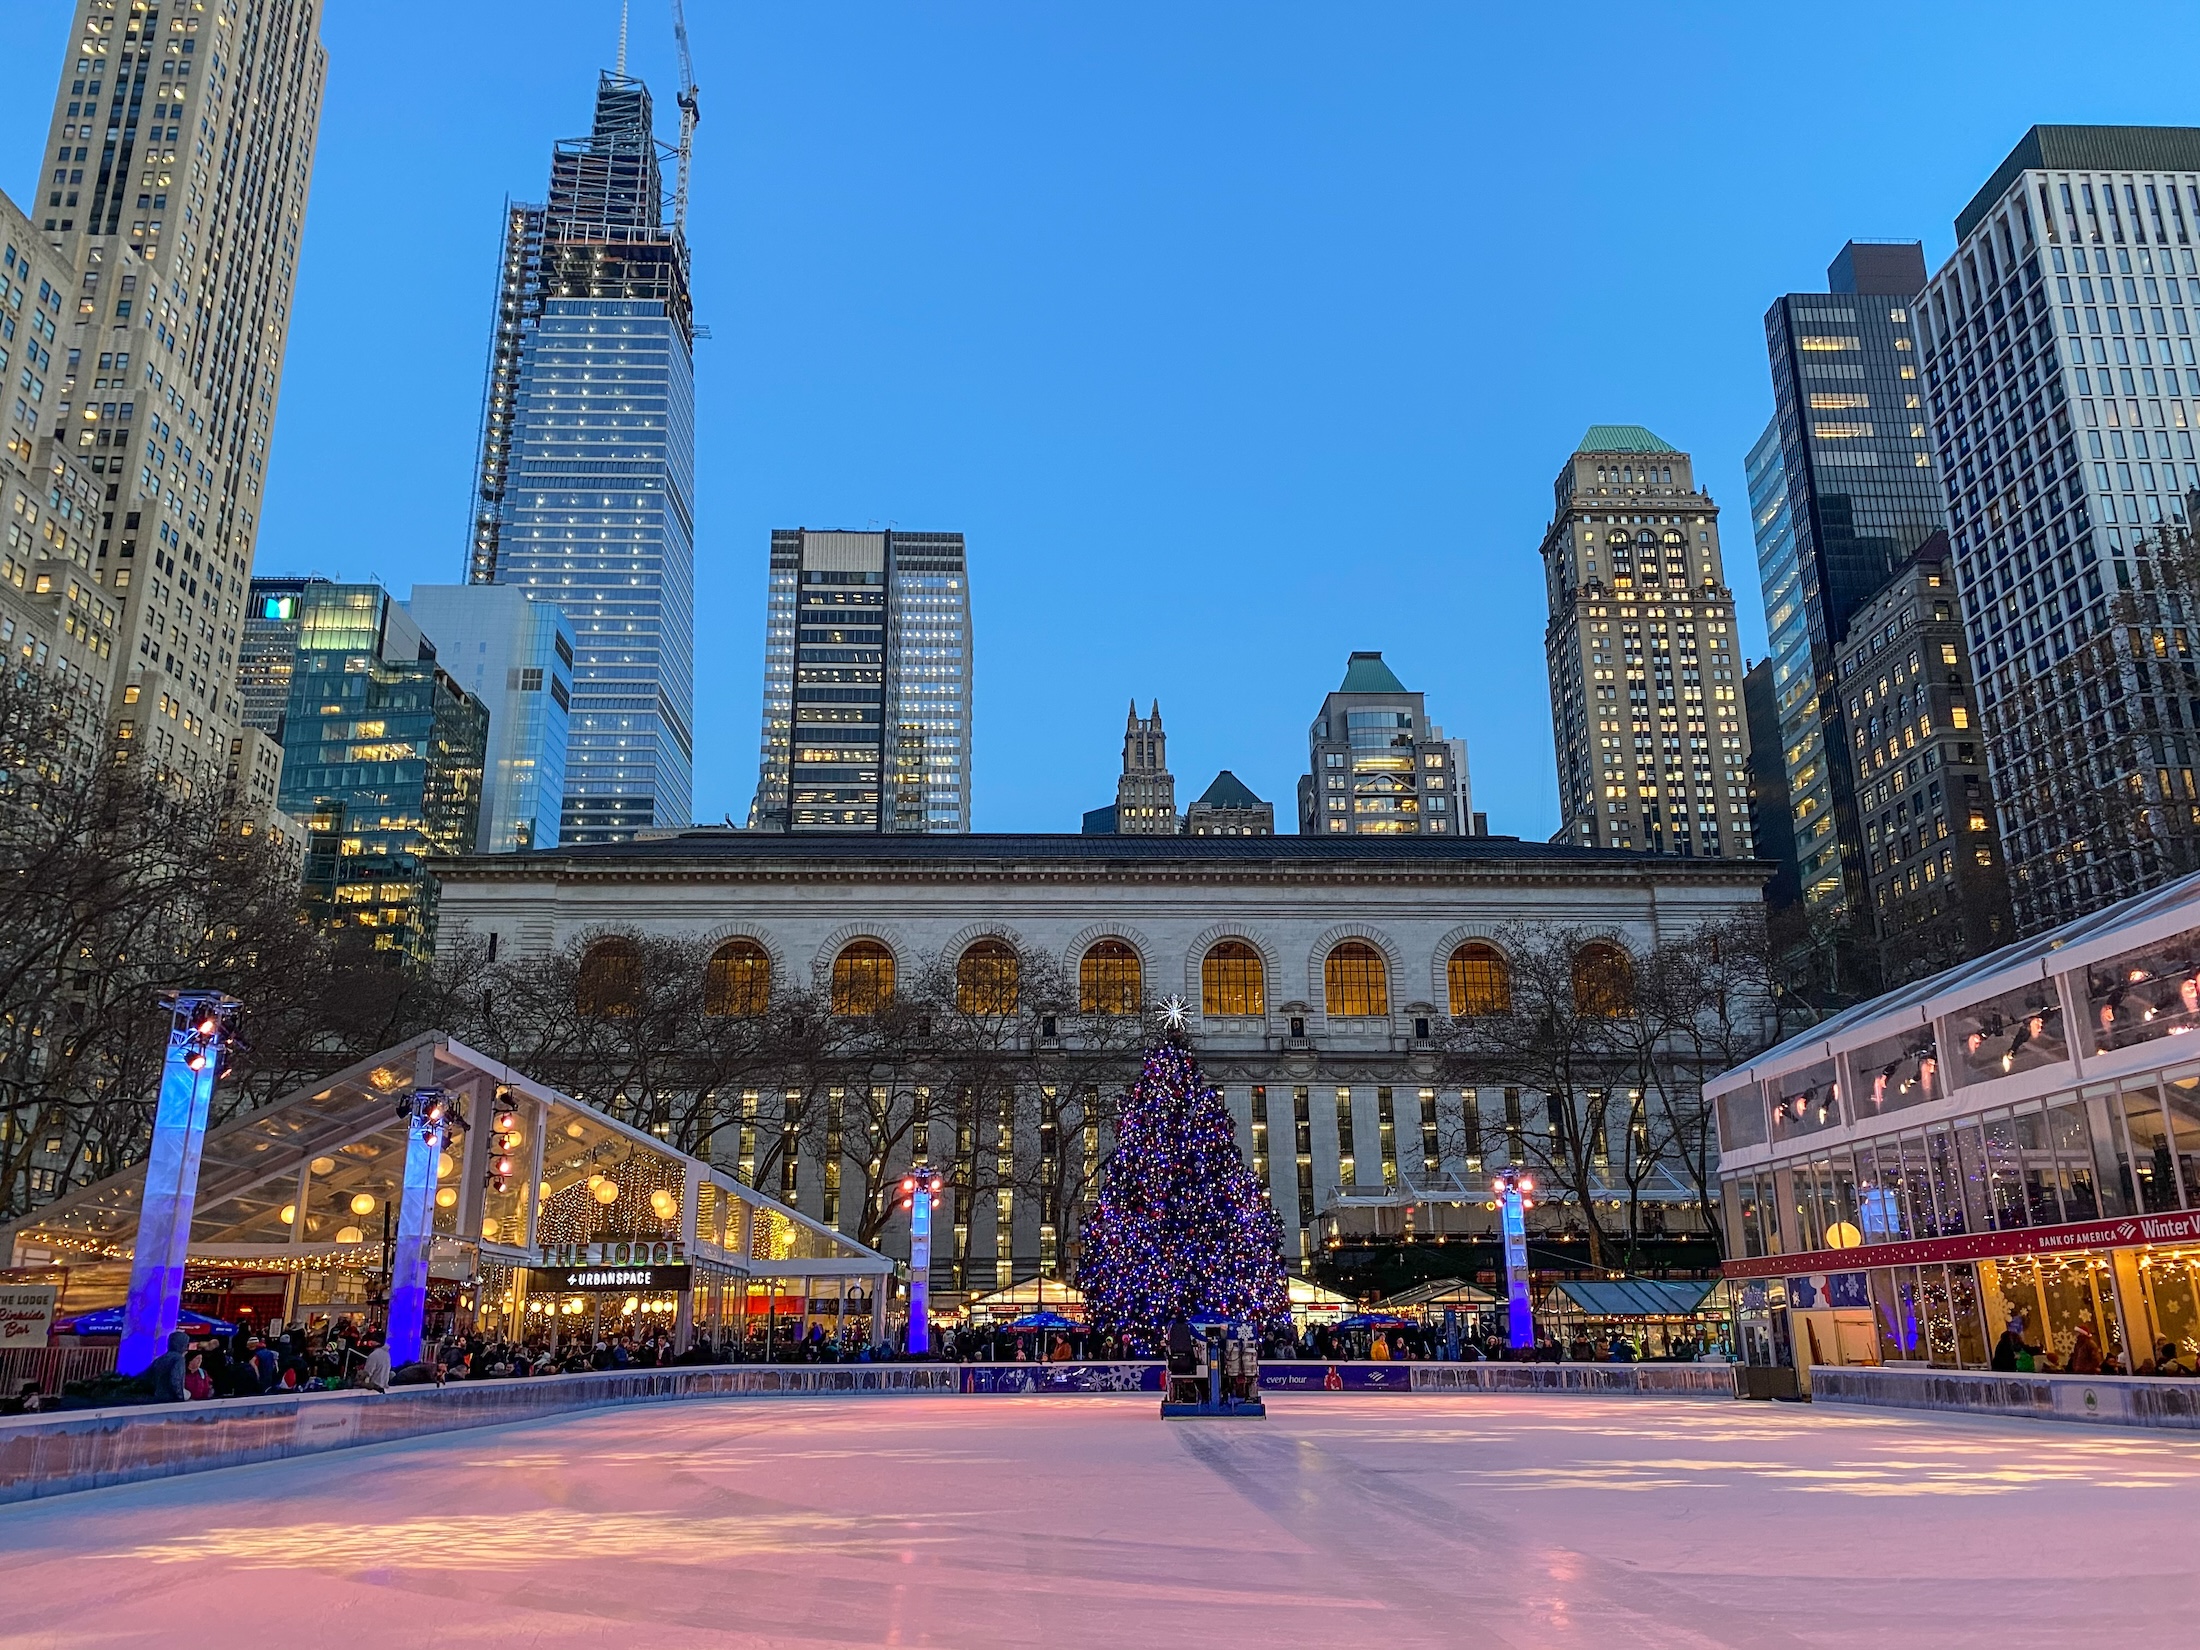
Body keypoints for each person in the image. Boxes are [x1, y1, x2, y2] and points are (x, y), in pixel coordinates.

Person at [148, 1329, 190, 1403]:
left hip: (157, 1397)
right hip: (170, 1399)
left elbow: (150, 1376)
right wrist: (180, 1397)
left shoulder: (161, 1358)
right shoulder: (179, 1359)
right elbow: (175, 1379)